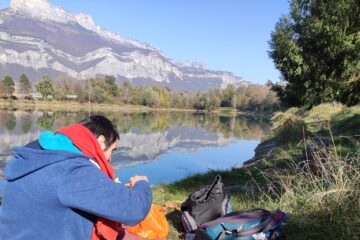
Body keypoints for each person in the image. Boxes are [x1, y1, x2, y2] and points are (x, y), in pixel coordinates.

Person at [0, 115, 152, 240]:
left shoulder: (35, 153)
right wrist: (141, 184)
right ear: (100, 141)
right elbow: (134, 210)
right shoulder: (72, 169)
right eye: (112, 150)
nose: (110, 159)